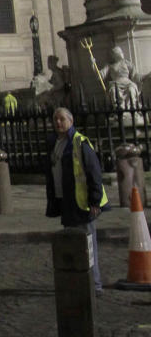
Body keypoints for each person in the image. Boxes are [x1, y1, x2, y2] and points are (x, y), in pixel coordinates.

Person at [45, 107, 108, 291]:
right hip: (66, 201)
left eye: (62, 119)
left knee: (88, 244)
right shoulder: (55, 142)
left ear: (71, 121)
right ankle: (78, 281)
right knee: (73, 243)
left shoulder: (79, 142)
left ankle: (95, 284)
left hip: (82, 202)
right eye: (55, 119)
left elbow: (94, 172)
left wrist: (95, 201)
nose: (58, 122)